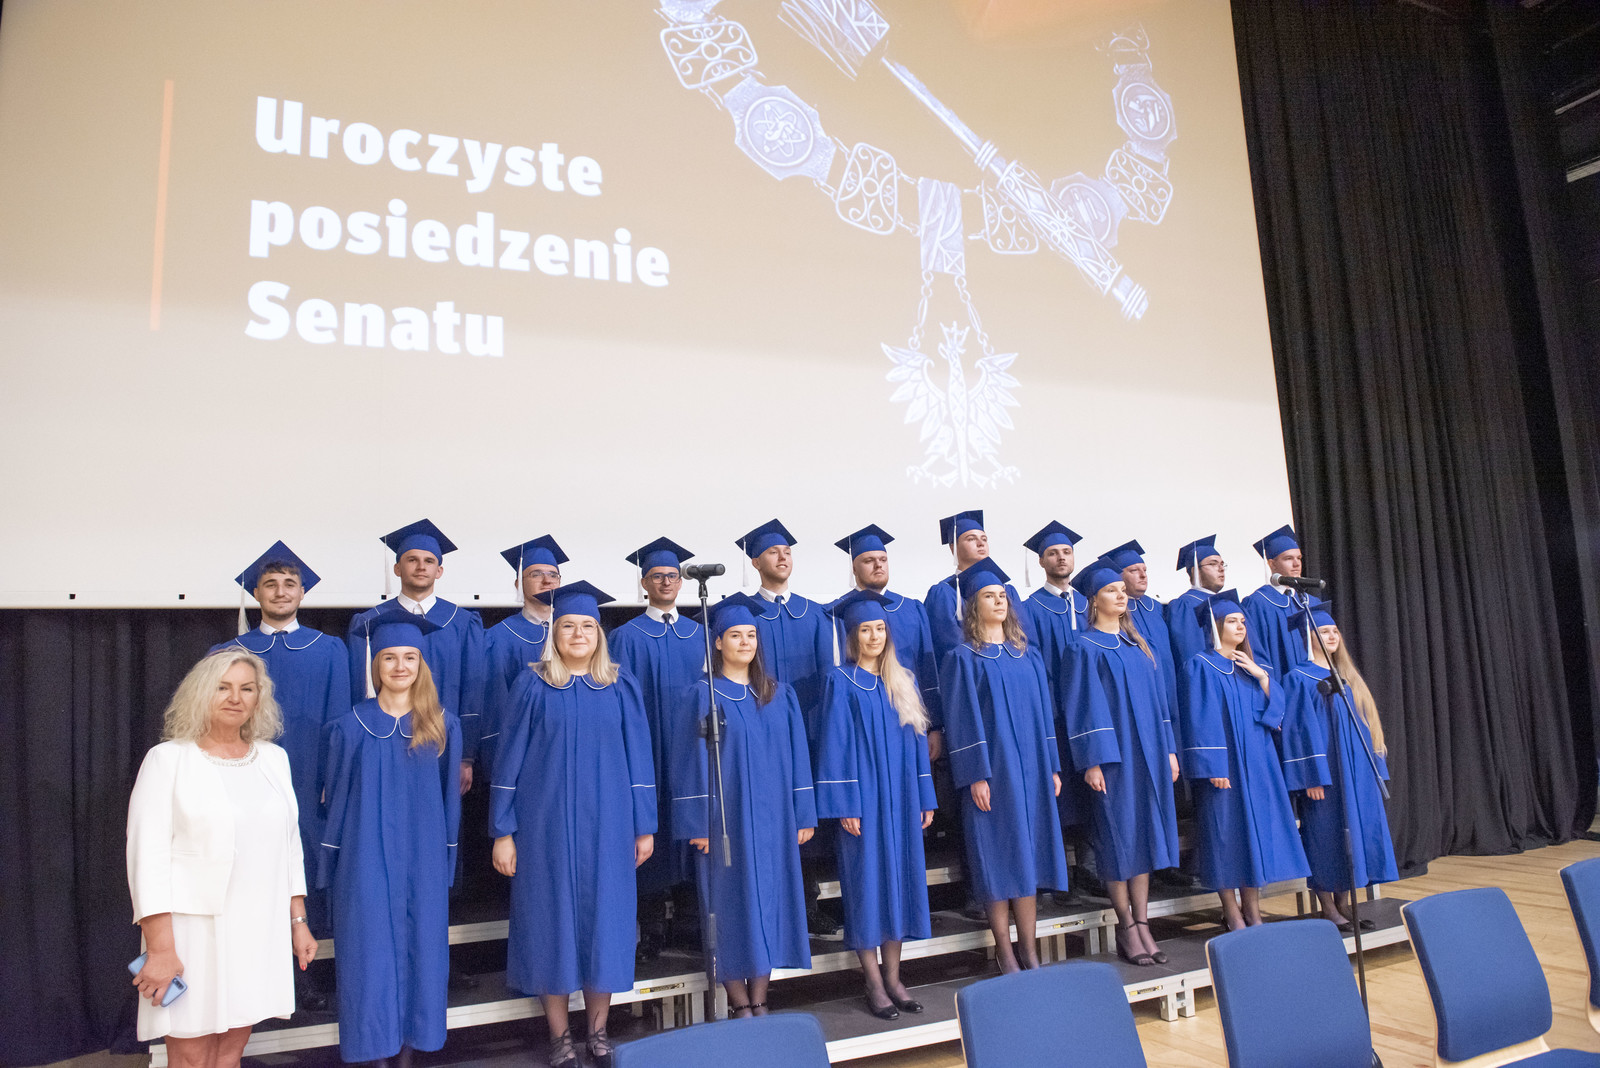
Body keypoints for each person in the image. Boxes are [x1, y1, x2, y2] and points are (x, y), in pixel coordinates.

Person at [490, 581, 656, 1068]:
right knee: (551, 925)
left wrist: (644, 826)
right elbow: (509, 761)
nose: (578, 634)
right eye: (568, 626)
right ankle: (560, 1036)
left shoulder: (621, 684)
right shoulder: (533, 684)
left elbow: (639, 760)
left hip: (610, 827)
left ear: (599, 634)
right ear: (554, 633)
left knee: (606, 922)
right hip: (545, 829)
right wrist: (503, 831)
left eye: (587, 626)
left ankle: (598, 1033)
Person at [126, 648, 318, 1067]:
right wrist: (161, 949)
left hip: (257, 928)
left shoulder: (273, 759)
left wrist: (298, 922)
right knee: (192, 1056)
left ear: (258, 698)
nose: (235, 697)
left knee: (230, 1053)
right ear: (200, 693)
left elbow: (290, 847)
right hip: (191, 934)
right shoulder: (168, 760)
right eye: (223, 687)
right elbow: (147, 860)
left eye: (246, 689)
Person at [319, 608, 462, 1068]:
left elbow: (450, 800)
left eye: (410, 657)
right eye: (389, 658)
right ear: (375, 664)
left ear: (422, 664)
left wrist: (445, 862)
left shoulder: (442, 725)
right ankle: (374, 1055)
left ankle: (407, 1054)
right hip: (363, 860)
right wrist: (331, 865)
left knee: (423, 954)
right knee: (369, 958)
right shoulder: (349, 727)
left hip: (423, 860)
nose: (400, 666)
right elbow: (336, 801)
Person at [209, 542, 347, 1011]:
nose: (281, 591)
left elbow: (338, 722)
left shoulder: (329, 649)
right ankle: (251, 979)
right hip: (242, 773)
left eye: (290, 584)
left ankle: (302, 978)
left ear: (303, 592)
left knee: (301, 867)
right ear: (256, 593)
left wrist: (332, 779)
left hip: (308, 777)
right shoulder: (229, 653)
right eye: (271, 584)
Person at [667, 593, 816, 1018]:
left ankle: (761, 998)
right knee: (728, 906)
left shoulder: (778, 694)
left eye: (751, 635)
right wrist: (698, 824)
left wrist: (803, 813)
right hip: (724, 823)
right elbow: (688, 763)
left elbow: (798, 757)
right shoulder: (701, 695)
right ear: (718, 642)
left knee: (769, 903)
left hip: (774, 822)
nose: (745, 642)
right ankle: (738, 1003)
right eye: (735, 635)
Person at [813, 590, 938, 1019]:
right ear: (853, 637)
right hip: (863, 801)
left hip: (901, 798)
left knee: (899, 884)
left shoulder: (903, 680)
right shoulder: (840, 681)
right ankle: (872, 980)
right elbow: (834, 746)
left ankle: (895, 978)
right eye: (865, 630)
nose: (874, 636)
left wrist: (924, 796)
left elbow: (918, 745)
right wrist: (846, 804)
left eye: (880, 628)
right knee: (866, 887)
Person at [940, 559, 1068, 973]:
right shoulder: (963, 658)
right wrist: (975, 774)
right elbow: (961, 719)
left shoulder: (1027, 656)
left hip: (1032, 769)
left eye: (1002, 596)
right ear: (972, 607)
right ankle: (1004, 950)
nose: (998, 601)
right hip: (993, 771)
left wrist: (1052, 767)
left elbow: (1044, 715)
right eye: (988, 596)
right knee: (997, 857)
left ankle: (1028, 949)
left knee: (1028, 856)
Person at [1059, 562, 1180, 967]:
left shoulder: (1137, 645)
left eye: (1121, 590)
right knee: (1117, 838)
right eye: (1111, 591)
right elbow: (1081, 707)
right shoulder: (1083, 647)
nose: (1121, 595)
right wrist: (1092, 761)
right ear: (1094, 601)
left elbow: (1160, 704)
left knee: (1143, 836)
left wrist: (1169, 750)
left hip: (1149, 755)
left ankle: (1143, 923)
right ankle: (1126, 926)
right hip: (1112, 759)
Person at [1177, 592, 1309, 931]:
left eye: (1242, 621)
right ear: (1216, 626)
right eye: (1232, 621)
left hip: (1258, 764)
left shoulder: (1249, 667)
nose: (1241, 626)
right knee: (1226, 836)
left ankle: (1253, 909)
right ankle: (1231, 911)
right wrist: (1213, 766)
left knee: (1254, 838)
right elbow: (1198, 719)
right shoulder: (1200, 666)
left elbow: (1274, 718)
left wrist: (1263, 678)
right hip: (1226, 767)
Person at [735, 518, 836, 937]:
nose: (782, 557)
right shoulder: (744, 615)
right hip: (762, 733)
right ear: (756, 562)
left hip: (808, 731)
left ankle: (808, 905)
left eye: (787, 552)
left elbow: (828, 678)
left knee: (805, 819)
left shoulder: (814, 614)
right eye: (773, 552)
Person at [608, 537, 705, 960]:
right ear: (644, 583)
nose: (666, 582)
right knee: (648, 831)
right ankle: (649, 929)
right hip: (647, 747)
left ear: (681, 583)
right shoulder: (625, 637)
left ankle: (690, 923)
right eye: (657, 576)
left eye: (672, 576)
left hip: (693, 749)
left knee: (692, 828)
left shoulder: (701, 635)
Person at [1279, 601, 1398, 929]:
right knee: (1325, 836)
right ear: (1309, 636)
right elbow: (1298, 731)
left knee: (1352, 835)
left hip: (1356, 771)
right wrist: (1310, 777)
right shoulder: (1298, 678)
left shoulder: (1347, 676)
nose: (1332, 636)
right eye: (1324, 631)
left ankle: (1344, 904)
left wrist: (1375, 770)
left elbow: (1367, 726)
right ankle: (1328, 907)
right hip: (1326, 774)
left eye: (1334, 631)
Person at [346, 519, 485, 794]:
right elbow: (358, 688)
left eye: (429, 561)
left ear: (439, 571)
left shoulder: (463, 623)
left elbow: (473, 690)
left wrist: (466, 756)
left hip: (444, 743)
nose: (421, 567)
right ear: (397, 568)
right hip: (381, 740)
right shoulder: (369, 623)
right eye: (412, 560)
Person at [1018, 521, 1099, 894]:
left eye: (1066, 552)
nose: (1061, 558)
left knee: (1094, 792)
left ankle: (1091, 869)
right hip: (1057, 716)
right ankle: (1062, 877)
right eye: (1052, 553)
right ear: (1041, 561)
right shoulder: (1030, 607)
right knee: (1061, 794)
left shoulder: (1090, 604)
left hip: (1093, 715)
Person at [833, 524, 941, 740]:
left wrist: (936, 727)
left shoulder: (912, 609)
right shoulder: (837, 612)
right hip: (864, 719)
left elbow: (928, 670)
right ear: (853, 568)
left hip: (910, 716)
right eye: (869, 561)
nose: (878, 565)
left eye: (883, 559)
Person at [482, 535, 567, 771]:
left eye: (553, 575)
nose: (547, 580)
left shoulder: (577, 635)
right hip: (521, 753)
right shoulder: (498, 637)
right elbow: (495, 704)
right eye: (536, 574)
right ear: (518, 583)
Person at [924, 511, 1036, 668]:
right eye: (971, 539)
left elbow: (1025, 639)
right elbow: (949, 645)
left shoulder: (1007, 590)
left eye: (984, 539)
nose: (981, 543)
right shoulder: (944, 592)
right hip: (971, 672)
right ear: (953, 548)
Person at [1100, 540, 1178, 718]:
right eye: (1134, 570)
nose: (1143, 575)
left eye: (1145, 570)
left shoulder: (1157, 608)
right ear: (1118, 576)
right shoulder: (1114, 612)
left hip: (1168, 688)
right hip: (1140, 690)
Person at [1242, 524, 1307, 677]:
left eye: (1299, 558)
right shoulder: (1257, 603)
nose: (1296, 564)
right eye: (1288, 558)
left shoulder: (1308, 601)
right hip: (1278, 681)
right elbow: (1256, 652)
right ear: (1271, 563)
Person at [1166, 535, 1228, 678]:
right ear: (1195, 571)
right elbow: (1191, 653)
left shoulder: (1225, 603)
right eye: (1213, 564)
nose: (1221, 569)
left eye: (1222, 564)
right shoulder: (1185, 605)